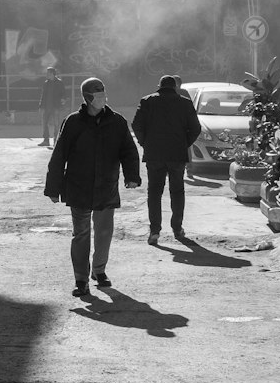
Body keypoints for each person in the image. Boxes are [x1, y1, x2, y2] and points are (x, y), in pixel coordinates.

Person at [44, 76, 141, 296]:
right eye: (98, 94)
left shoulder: (116, 122)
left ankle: (99, 270)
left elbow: (129, 150)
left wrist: (131, 176)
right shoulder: (73, 122)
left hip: (106, 186)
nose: (103, 97)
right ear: (88, 98)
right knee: (81, 234)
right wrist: (53, 188)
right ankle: (81, 279)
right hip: (78, 186)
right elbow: (60, 155)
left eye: (104, 93)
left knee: (104, 231)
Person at [132, 74, 202, 245]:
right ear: (175, 87)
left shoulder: (147, 101)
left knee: (154, 192)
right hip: (177, 155)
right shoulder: (185, 103)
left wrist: (145, 143)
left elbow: (136, 125)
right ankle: (177, 229)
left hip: (154, 154)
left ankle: (154, 231)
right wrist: (184, 143)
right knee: (177, 191)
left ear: (159, 86)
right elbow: (196, 128)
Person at [38, 67, 65, 147]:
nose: (47, 75)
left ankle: (56, 141)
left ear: (53, 74)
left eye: (48, 73)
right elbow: (43, 95)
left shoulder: (59, 83)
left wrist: (63, 99)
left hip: (56, 106)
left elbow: (63, 93)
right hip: (46, 107)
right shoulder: (46, 83)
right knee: (44, 123)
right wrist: (41, 106)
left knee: (56, 124)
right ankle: (46, 140)